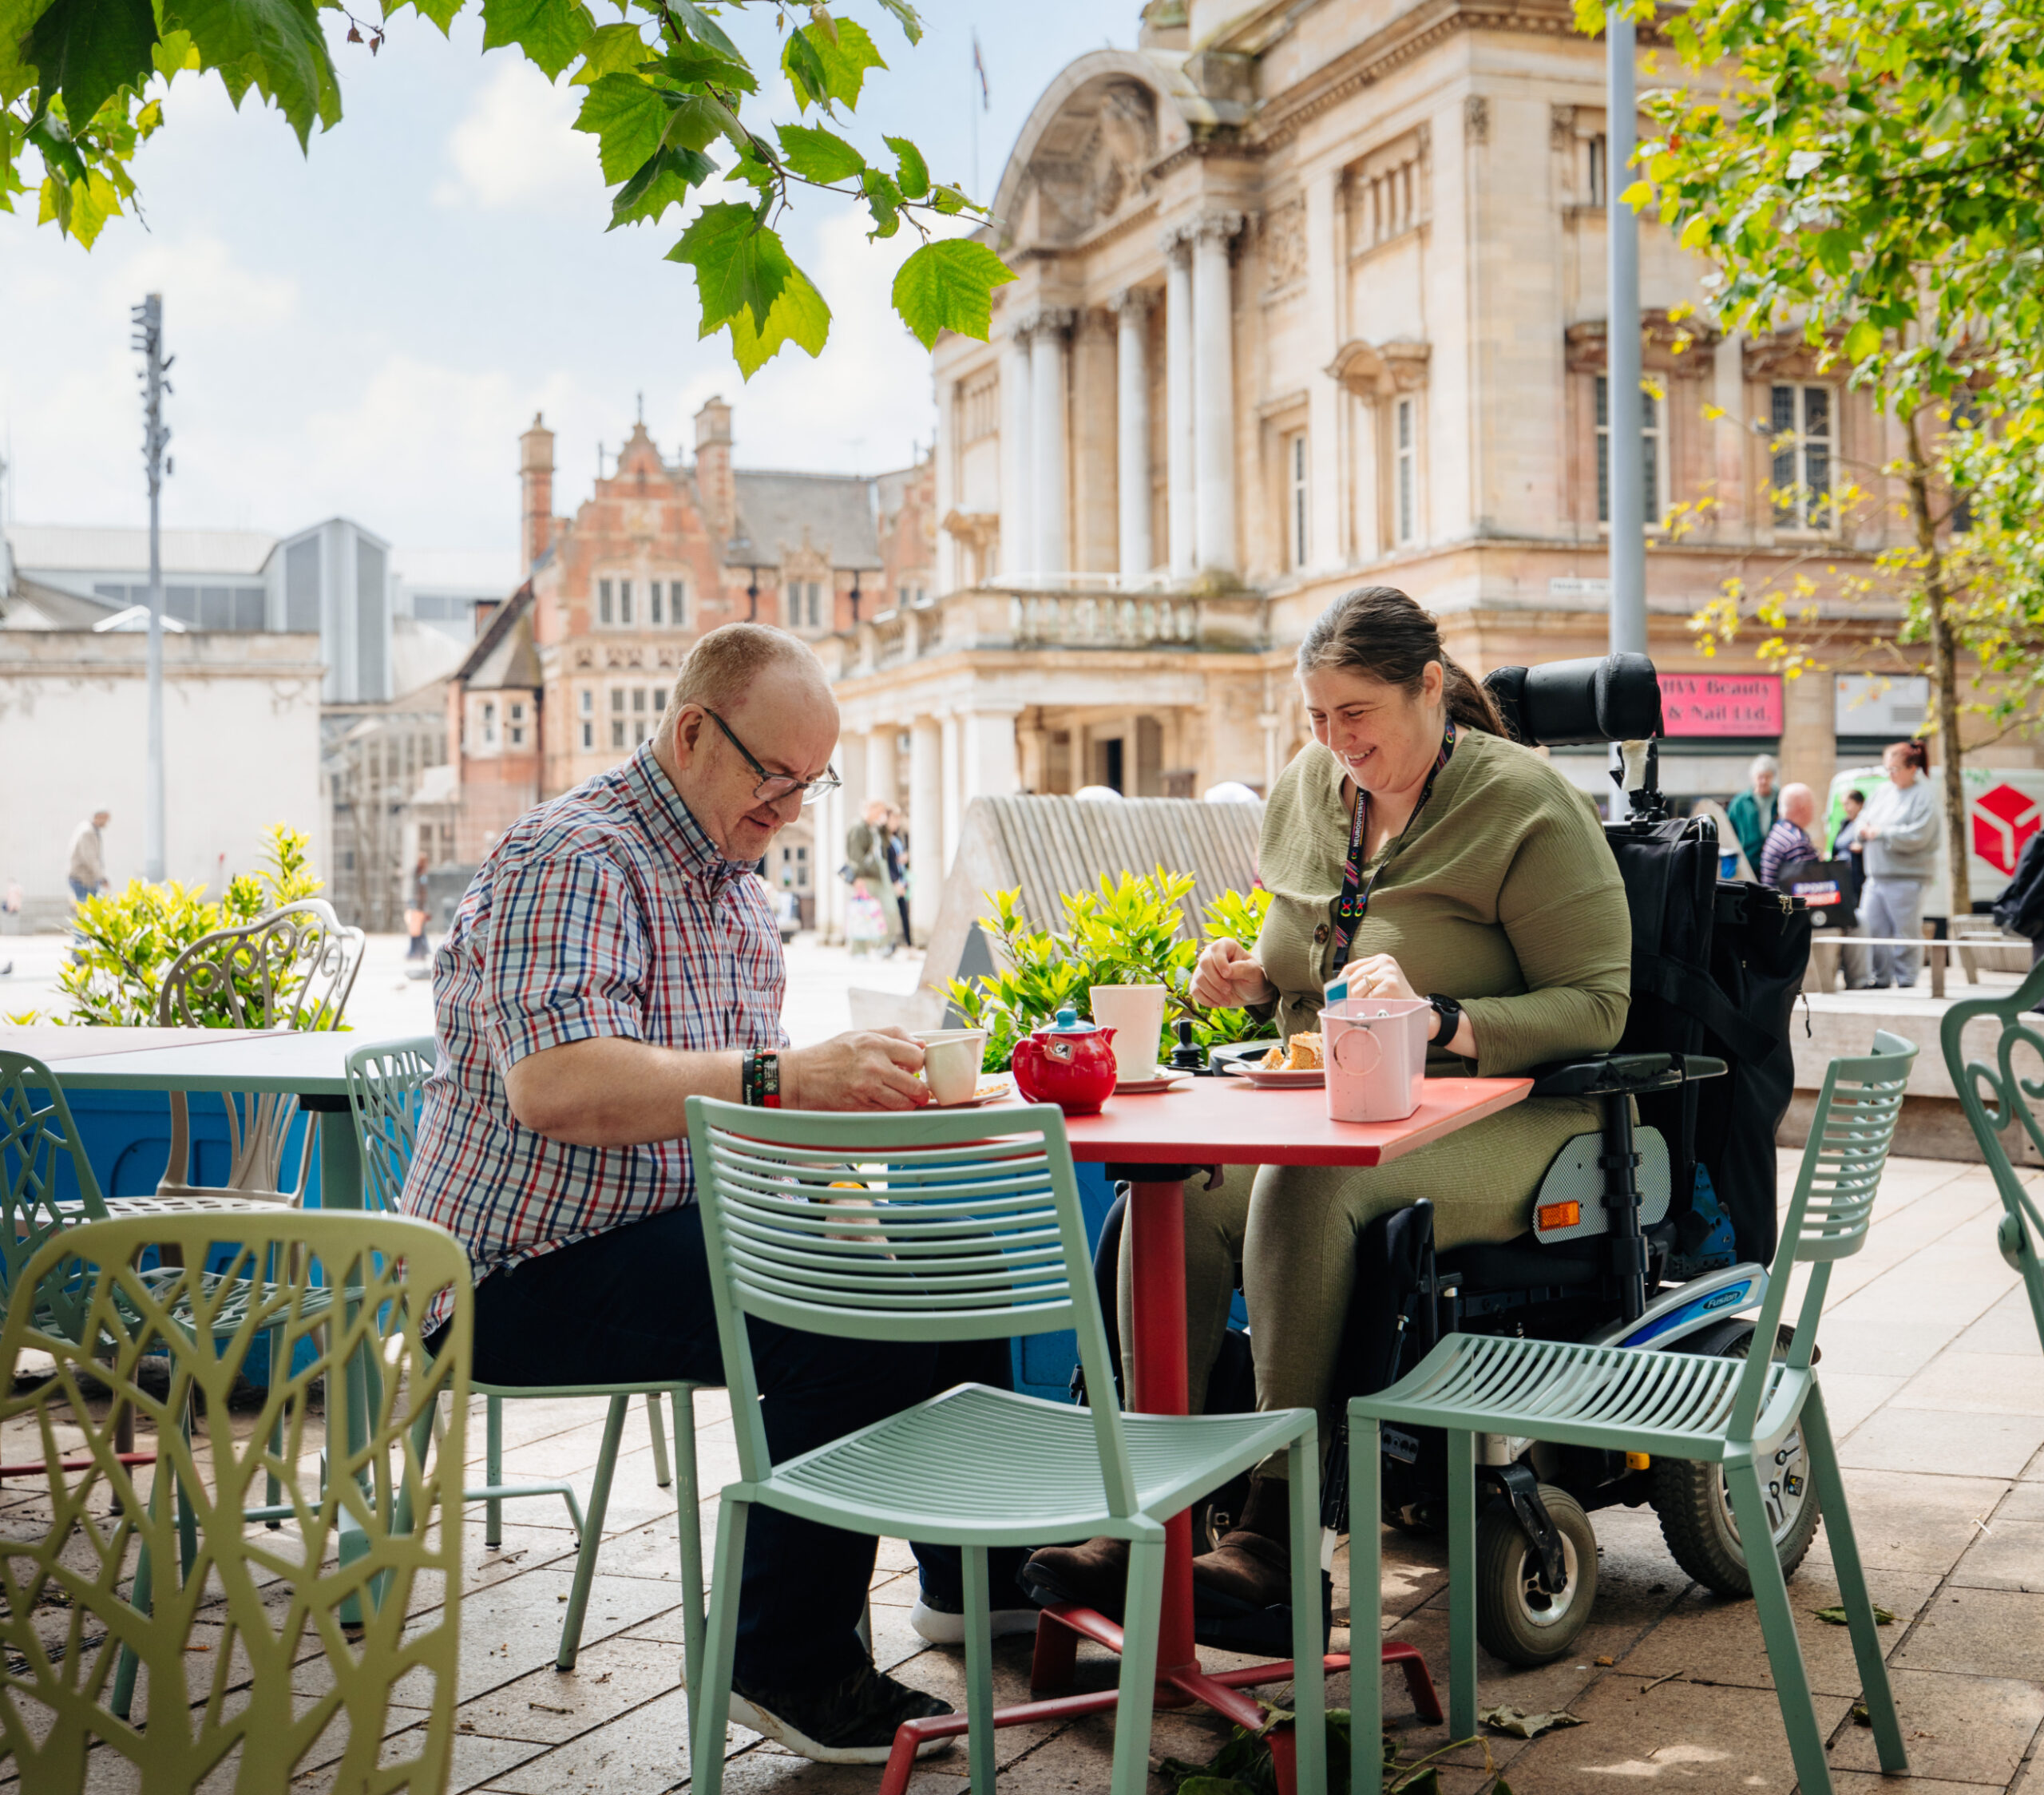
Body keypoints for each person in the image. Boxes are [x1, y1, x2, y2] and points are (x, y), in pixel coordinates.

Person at [402, 624, 1032, 1763]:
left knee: (961, 1264)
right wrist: (791, 1079)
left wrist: (867, 1114)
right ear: (694, 733)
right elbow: (556, 1086)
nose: (792, 810)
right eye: (775, 776)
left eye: (812, 782)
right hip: (509, 1274)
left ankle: (971, 1590)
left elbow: (749, 1117)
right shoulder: (573, 856)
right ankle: (782, 1661)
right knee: (841, 1303)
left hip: (669, 1234)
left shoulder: (739, 895)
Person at [1021, 587, 1631, 1619]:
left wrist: (1440, 1018)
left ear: (1429, 689)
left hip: (1507, 1119)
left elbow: (1599, 1006)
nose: (1334, 740)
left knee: (1301, 1193)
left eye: (1356, 714)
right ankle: (1150, 1517)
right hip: (1341, 1106)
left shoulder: (1523, 802)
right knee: (1173, 1196)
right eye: (1315, 717)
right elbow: (1299, 963)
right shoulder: (1313, 789)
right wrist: (1249, 980)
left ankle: (1274, 1534)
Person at [1856, 739, 1940, 989]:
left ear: (1912, 768)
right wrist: (1863, 830)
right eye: (1888, 769)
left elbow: (1919, 835)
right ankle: (1879, 977)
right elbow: (1863, 818)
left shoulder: (1924, 795)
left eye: (1895, 769)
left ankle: (1906, 980)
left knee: (1905, 932)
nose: (1890, 774)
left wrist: (1880, 833)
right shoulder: (1882, 792)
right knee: (1872, 929)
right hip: (1876, 875)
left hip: (1906, 876)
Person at [844, 797, 902, 957]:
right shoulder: (858, 827)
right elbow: (855, 854)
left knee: (890, 910)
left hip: (880, 873)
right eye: (880, 810)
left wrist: (883, 823)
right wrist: (858, 878)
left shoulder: (876, 829)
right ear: (872, 809)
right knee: (862, 912)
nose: (882, 814)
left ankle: (882, 946)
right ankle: (858, 949)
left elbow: (886, 842)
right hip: (865, 875)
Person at [1831, 789, 1872, 989]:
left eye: (1848, 803)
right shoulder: (1845, 824)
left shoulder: (1864, 825)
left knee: (1859, 922)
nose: (1845, 808)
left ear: (1859, 804)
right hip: (1842, 882)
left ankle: (1860, 976)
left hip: (1857, 881)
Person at [1759, 783, 1820, 888]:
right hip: (1784, 902)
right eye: (1812, 805)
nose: (1814, 809)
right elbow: (1809, 885)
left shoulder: (1780, 828)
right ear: (1803, 808)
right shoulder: (1797, 841)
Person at [1725, 755, 1779, 877]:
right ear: (1753, 778)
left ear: (1773, 777)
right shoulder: (1740, 803)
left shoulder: (1780, 798)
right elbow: (1729, 831)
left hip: (1775, 863)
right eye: (1760, 777)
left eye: (1768, 777)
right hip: (1748, 862)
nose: (1764, 781)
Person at [885, 803, 913, 950]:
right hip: (892, 882)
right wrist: (895, 881)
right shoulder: (884, 840)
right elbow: (887, 863)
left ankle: (909, 944)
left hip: (902, 880)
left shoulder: (898, 837)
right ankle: (891, 945)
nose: (897, 822)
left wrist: (906, 858)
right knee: (891, 914)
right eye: (894, 819)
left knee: (904, 913)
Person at [67, 809, 111, 903]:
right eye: (106, 819)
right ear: (99, 817)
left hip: (86, 879)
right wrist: (102, 878)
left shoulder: (91, 829)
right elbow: (90, 859)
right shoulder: (88, 832)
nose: (107, 823)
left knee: (87, 910)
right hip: (82, 879)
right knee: (86, 912)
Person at [405, 854, 431, 961]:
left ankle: (419, 951)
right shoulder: (421, 876)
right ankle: (418, 951)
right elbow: (421, 893)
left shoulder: (418, 875)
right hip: (418, 907)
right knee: (418, 930)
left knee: (418, 930)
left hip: (417, 906)